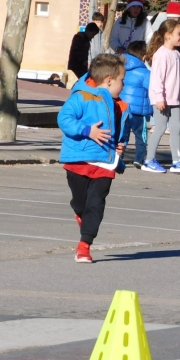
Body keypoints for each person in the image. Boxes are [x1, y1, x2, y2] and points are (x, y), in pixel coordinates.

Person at [58, 54, 129, 263]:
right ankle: (82, 216)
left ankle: (84, 246)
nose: (123, 85)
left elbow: (121, 133)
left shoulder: (122, 106)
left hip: (104, 163)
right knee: (80, 203)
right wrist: (87, 130)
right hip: (78, 160)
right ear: (109, 80)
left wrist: (120, 146)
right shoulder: (82, 96)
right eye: (121, 80)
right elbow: (64, 119)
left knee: (96, 204)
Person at [141, 19, 180, 173]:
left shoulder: (177, 54)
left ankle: (177, 161)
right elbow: (157, 78)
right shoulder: (161, 55)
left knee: (176, 128)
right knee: (159, 128)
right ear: (167, 35)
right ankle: (149, 160)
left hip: (174, 99)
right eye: (179, 34)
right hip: (162, 100)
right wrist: (159, 98)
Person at [120, 41, 152, 168]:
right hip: (139, 111)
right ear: (143, 57)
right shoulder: (145, 73)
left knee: (122, 134)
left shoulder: (121, 69)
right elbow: (151, 88)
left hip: (123, 109)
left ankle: (119, 156)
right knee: (141, 136)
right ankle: (139, 158)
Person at [67, 22, 100, 88]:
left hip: (81, 64)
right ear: (88, 31)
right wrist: (82, 61)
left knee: (85, 78)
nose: (92, 37)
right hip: (76, 64)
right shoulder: (80, 38)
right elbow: (77, 51)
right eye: (92, 34)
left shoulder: (85, 39)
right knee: (84, 79)